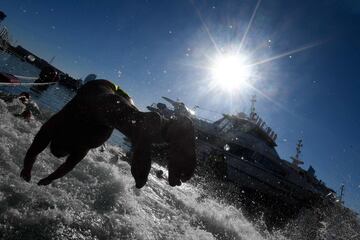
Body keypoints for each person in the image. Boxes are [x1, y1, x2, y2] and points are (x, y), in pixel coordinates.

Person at [20, 80, 196, 188]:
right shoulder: (77, 144)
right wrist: (35, 173)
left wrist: (31, 171)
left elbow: (42, 149)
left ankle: (162, 128)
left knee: (101, 107)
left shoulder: (62, 127)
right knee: (123, 117)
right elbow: (41, 152)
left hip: (104, 92)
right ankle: (169, 129)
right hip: (115, 105)